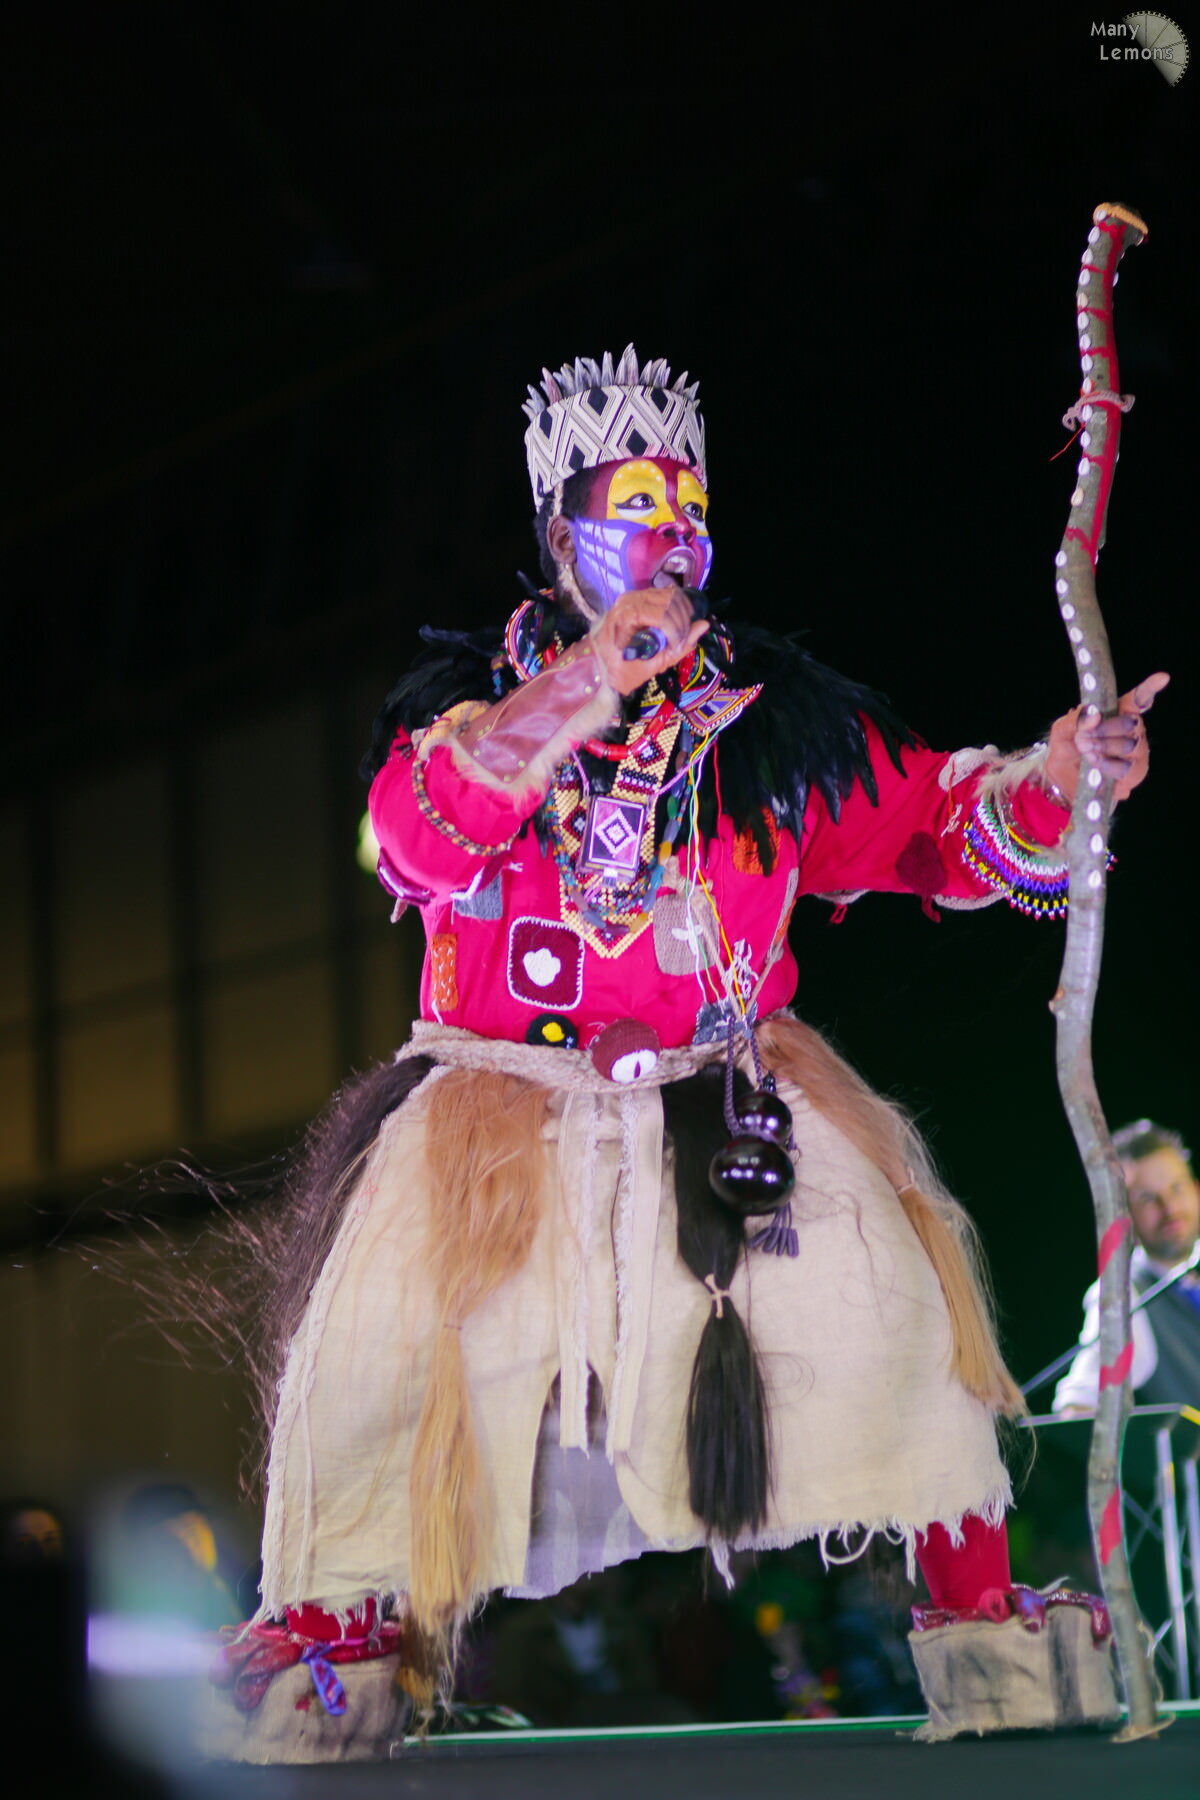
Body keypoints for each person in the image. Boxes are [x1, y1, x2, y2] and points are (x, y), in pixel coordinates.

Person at [203, 348, 1164, 1758]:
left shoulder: (774, 718)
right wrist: (588, 682)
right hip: (502, 1106)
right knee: (392, 1356)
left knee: (892, 1313)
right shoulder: (466, 703)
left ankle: (981, 1623)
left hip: (729, 1097)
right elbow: (414, 840)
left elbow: (930, 833)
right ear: (561, 530)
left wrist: (1057, 780)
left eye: (689, 506)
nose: (669, 534)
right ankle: (341, 1640)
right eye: (634, 504)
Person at [1053, 1121, 1200, 1414]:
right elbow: (1078, 1411)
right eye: (1148, 1199)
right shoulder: (1123, 1296)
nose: (1170, 1208)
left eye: (1177, 1188)